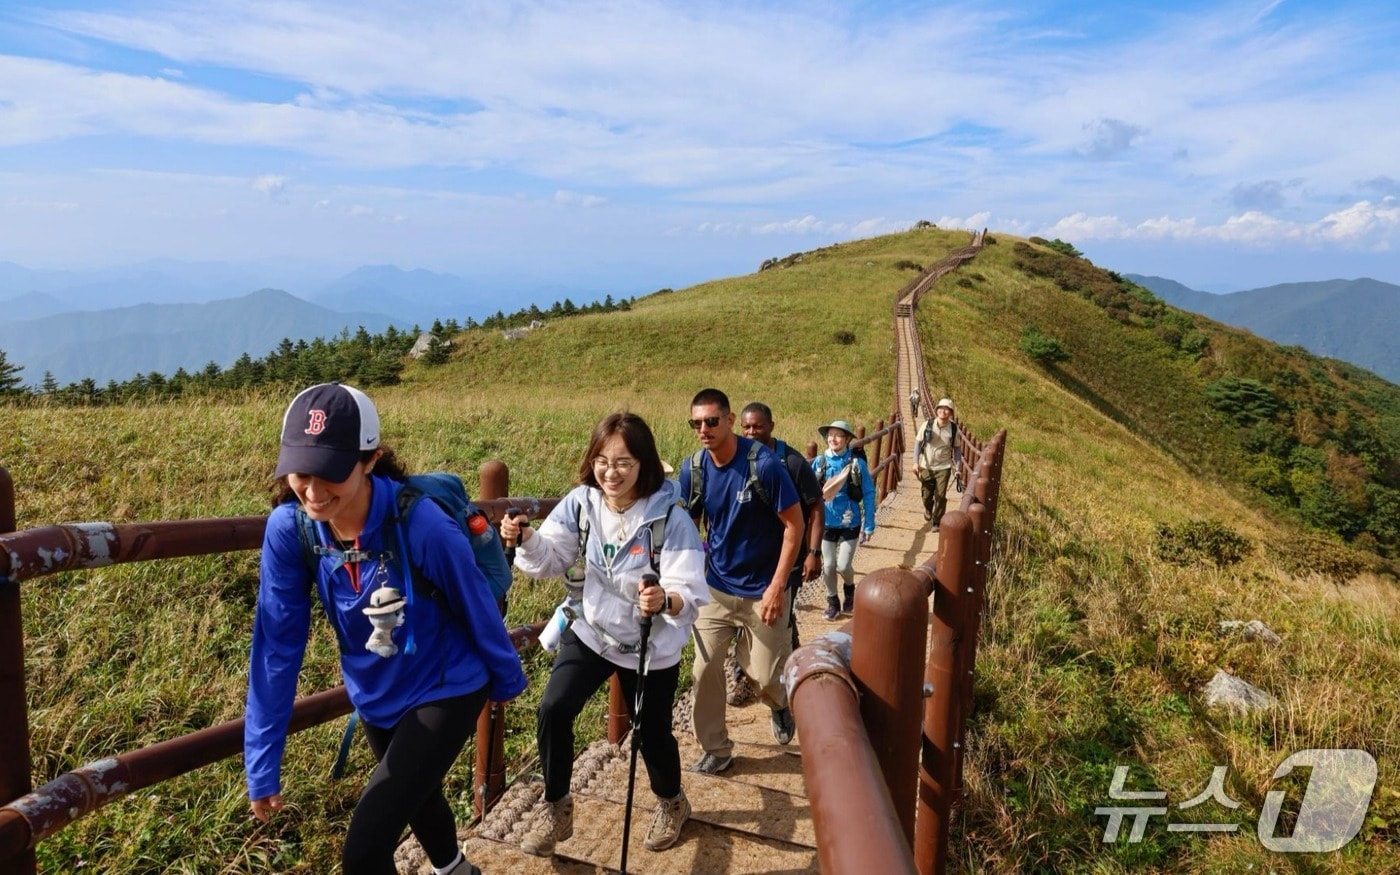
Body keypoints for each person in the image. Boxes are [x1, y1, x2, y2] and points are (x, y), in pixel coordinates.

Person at [245, 382, 527, 875]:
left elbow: (475, 601)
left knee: (364, 852)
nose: (312, 491)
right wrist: (263, 759)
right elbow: (277, 646)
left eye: (330, 472)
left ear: (369, 460)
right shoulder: (291, 530)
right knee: (416, 799)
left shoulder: (421, 524)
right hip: (374, 688)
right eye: (300, 472)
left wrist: (506, 681)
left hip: (448, 683)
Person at [503, 412, 708, 856]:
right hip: (593, 630)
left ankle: (672, 801)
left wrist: (665, 600)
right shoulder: (581, 503)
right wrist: (525, 538)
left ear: (645, 464)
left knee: (651, 733)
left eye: (623, 462)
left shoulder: (671, 519)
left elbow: (688, 590)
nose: (610, 472)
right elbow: (551, 557)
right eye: (602, 460)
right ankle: (556, 805)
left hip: (650, 644)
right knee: (554, 708)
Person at [679, 389, 805, 773]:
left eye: (712, 421)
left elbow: (794, 525)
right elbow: (689, 524)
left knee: (765, 674)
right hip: (716, 587)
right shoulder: (694, 468)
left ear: (730, 420)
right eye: (696, 423)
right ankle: (717, 747)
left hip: (762, 590)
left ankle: (780, 704)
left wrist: (777, 586)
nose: (704, 429)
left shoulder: (764, 465)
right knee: (704, 669)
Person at [739, 401, 824, 648]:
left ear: (771, 426)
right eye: (746, 427)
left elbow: (816, 506)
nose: (751, 432)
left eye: (757, 426)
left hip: (789, 557)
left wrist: (814, 552)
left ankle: (790, 662)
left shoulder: (792, 462)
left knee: (781, 613)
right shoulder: (740, 458)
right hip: (752, 556)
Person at [812, 420, 877, 619]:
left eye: (838, 435)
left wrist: (869, 524)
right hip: (826, 522)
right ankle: (833, 601)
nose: (833, 439)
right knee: (828, 565)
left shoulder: (857, 464)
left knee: (843, 566)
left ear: (847, 439)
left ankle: (850, 589)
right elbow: (810, 494)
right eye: (830, 435)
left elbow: (868, 493)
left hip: (851, 521)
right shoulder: (819, 462)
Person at [914, 397, 962, 529]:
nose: (943, 411)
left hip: (944, 466)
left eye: (947, 410)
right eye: (941, 408)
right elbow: (918, 444)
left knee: (940, 496)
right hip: (926, 465)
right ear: (937, 410)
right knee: (926, 496)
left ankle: (937, 521)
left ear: (951, 413)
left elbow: (957, 449)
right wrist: (915, 462)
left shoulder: (953, 428)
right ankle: (928, 509)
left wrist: (958, 467)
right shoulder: (927, 424)